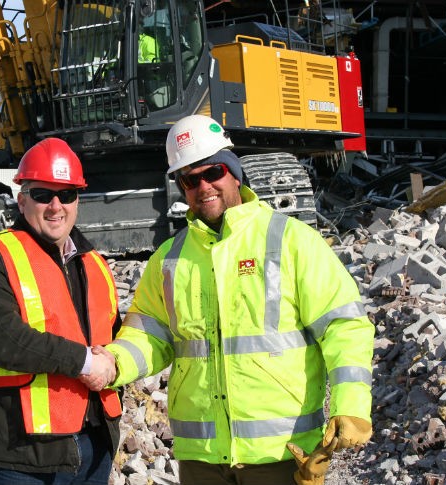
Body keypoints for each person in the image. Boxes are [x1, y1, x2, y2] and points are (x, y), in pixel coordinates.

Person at [91, 114, 374, 485]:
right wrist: (114, 363)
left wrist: (351, 405)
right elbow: (150, 335)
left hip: (281, 454)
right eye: (190, 180)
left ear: (234, 172)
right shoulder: (170, 258)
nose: (203, 186)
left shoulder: (290, 240)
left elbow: (343, 326)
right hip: (202, 458)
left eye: (213, 173)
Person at [0, 137, 122, 485]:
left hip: (93, 444)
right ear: (22, 199)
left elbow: (112, 336)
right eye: (44, 195)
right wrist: (87, 363)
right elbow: (1, 338)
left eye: (67, 194)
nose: (56, 206)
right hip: (20, 454)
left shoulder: (94, 264)